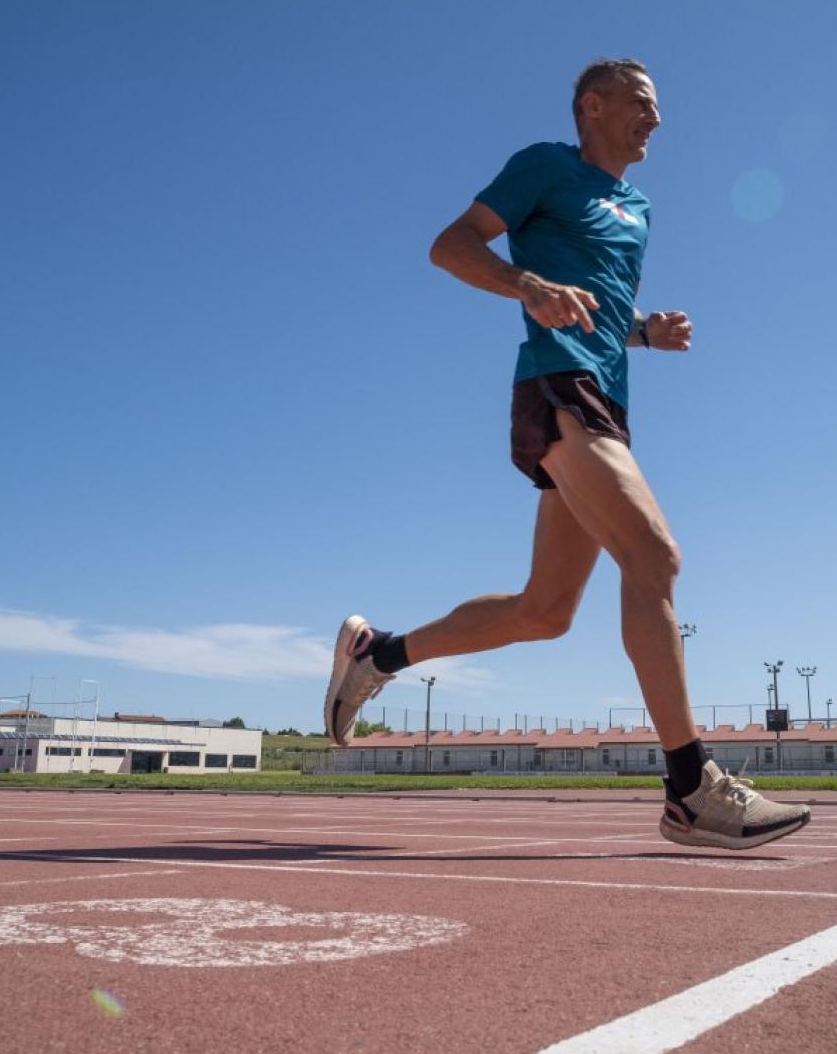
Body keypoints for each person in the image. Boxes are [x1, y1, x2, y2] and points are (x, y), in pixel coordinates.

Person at [323, 58, 810, 850]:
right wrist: (527, 286)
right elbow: (450, 246)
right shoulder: (546, 166)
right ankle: (691, 788)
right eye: (642, 103)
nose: (657, 119)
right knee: (654, 558)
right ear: (594, 104)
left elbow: (602, 305)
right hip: (558, 386)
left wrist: (643, 331)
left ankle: (382, 653)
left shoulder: (640, 207)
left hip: (609, 402)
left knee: (544, 612)